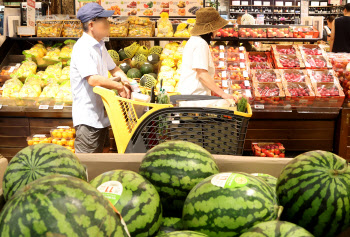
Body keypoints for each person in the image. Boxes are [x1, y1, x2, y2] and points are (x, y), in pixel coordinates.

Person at [71, 3, 131, 153]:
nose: (108, 24)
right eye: (104, 20)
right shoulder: (83, 47)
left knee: (102, 158)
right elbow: (93, 79)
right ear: (92, 24)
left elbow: (114, 68)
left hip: (102, 117)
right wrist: (118, 87)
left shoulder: (100, 45)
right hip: (88, 119)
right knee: (88, 164)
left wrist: (126, 81)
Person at [177, 8, 234, 99]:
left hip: (190, 95)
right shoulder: (200, 44)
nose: (218, 30)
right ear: (210, 28)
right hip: (195, 97)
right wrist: (223, 94)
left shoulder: (194, 40)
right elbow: (202, 74)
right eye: (216, 27)